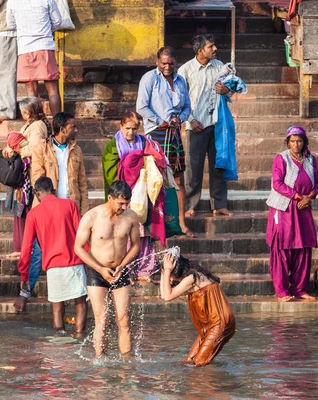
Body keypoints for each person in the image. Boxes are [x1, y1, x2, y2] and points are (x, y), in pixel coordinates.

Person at [74, 180, 140, 359]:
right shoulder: (91, 216)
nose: (124, 207)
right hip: (97, 272)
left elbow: (135, 246)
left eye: (127, 203)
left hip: (120, 270)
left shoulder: (131, 217)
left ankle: (126, 361)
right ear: (110, 198)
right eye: (121, 203)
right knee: (102, 319)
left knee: (124, 319)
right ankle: (100, 359)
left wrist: (122, 265)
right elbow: (78, 247)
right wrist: (100, 269)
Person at [16, 177, 87, 335]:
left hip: (53, 266)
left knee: (57, 307)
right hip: (74, 262)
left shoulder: (33, 214)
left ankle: (59, 338)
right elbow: (82, 235)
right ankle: (80, 336)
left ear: (37, 193)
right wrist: (89, 260)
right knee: (80, 303)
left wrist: (23, 275)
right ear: (53, 190)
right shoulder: (70, 204)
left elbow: (27, 248)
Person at [101, 111, 166, 280]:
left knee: (143, 232)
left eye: (134, 129)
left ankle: (145, 269)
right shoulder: (113, 145)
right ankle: (125, 269)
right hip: (122, 197)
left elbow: (156, 157)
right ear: (121, 126)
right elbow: (110, 171)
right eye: (127, 128)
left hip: (142, 194)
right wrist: (131, 166)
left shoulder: (143, 141)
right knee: (124, 232)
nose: (130, 132)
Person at [136, 46, 193, 236]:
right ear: (157, 62)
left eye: (170, 63)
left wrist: (180, 118)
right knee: (155, 180)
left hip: (175, 134)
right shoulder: (149, 78)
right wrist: (162, 121)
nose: (167, 67)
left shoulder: (180, 80)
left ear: (175, 63)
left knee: (178, 179)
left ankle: (182, 223)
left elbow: (187, 108)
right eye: (163, 63)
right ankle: (153, 225)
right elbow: (141, 107)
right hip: (156, 134)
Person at [178, 33, 234, 218]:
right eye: (211, 46)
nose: (215, 49)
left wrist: (226, 90)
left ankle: (219, 204)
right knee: (193, 168)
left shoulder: (220, 67)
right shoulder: (185, 70)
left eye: (214, 45)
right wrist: (190, 120)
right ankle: (190, 205)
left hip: (217, 124)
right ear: (200, 50)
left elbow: (232, 87)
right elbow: (180, 100)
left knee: (218, 166)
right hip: (195, 125)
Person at [265, 126, 318, 302]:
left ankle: (299, 289)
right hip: (284, 208)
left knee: (303, 247)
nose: (296, 145)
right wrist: (298, 196)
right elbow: (277, 183)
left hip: (303, 208)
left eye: (299, 141)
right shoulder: (281, 159)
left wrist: (309, 196)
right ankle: (282, 291)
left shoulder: (310, 159)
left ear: (304, 142)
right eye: (293, 141)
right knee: (282, 248)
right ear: (287, 143)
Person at [159, 254, 235, 367]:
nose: (170, 279)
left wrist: (167, 269)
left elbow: (167, 296)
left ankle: (210, 383)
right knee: (189, 361)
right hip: (209, 327)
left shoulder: (192, 278)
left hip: (219, 324)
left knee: (199, 363)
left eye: (170, 275)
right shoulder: (191, 276)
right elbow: (164, 295)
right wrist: (164, 271)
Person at [2, 97, 49, 258]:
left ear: (29, 113)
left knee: (27, 211)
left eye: (23, 112)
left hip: (31, 175)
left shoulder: (38, 126)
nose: (22, 114)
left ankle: (27, 247)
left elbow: (34, 148)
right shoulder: (29, 125)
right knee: (21, 211)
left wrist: (16, 150)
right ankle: (22, 246)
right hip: (23, 176)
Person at [6, 0, 62, 116]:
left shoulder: (12, 2)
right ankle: (58, 124)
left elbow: (10, 24)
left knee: (31, 92)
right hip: (44, 46)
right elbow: (57, 21)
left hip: (25, 48)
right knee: (53, 91)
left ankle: (34, 123)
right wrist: (46, 30)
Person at [31, 112, 89, 213]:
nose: (76, 130)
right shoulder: (42, 148)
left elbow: (82, 183)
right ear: (62, 129)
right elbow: (37, 180)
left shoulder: (77, 150)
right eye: (72, 127)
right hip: (49, 208)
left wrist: (84, 211)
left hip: (71, 206)